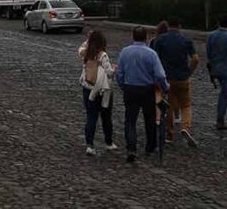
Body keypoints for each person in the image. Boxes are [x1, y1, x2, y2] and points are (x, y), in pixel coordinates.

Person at [115, 26, 170, 162]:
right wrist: (165, 87)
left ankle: (131, 148)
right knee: (150, 119)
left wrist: (123, 86)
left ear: (133, 36)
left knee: (130, 120)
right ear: (146, 37)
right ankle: (150, 146)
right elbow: (160, 75)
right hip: (147, 89)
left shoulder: (125, 52)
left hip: (130, 88)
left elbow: (119, 73)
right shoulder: (151, 54)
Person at [152, 18, 199, 146]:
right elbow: (195, 59)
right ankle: (185, 127)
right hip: (183, 78)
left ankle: (170, 134)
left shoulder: (160, 40)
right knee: (186, 105)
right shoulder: (186, 40)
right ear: (179, 26)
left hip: (167, 78)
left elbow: (155, 59)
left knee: (169, 107)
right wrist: (189, 71)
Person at [78, 30, 117, 155]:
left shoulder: (85, 53)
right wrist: (115, 68)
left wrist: (88, 39)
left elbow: (80, 48)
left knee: (91, 117)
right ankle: (109, 142)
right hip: (102, 89)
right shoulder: (103, 55)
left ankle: (89, 145)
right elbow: (109, 72)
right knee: (106, 117)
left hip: (87, 88)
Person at [205, 17, 227, 130]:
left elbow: (208, 53)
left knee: (223, 92)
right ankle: (220, 119)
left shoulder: (211, 36)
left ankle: (220, 118)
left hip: (215, 68)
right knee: (224, 94)